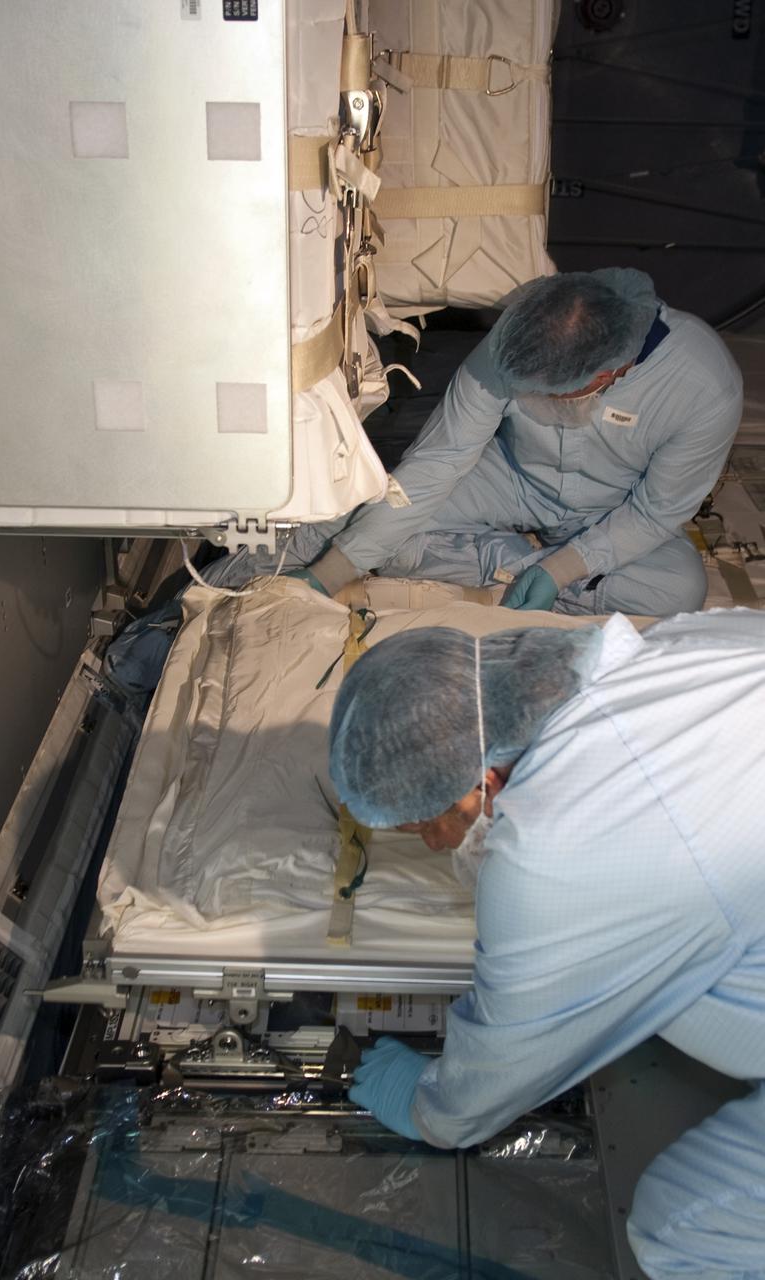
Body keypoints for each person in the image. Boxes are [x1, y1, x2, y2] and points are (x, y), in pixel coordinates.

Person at [328, 609, 765, 1278]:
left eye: (425, 825)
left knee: (682, 1233)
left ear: (483, 782)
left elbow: (495, 1074)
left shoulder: (557, 860)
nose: (434, 844)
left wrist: (426, 1107)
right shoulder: (687, 639)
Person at [295, 268, 743, 616]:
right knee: (352, 515)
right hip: (510, 476)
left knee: (678, 589)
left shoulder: (704, 385)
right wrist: (331, 573)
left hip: (611, 508)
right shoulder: (521, 334)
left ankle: (506, 564)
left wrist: (561, 568)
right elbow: (440, 461)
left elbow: (653, 513)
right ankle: (506, 561)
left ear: (605, 378)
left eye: (543, 394)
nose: (525, 397)